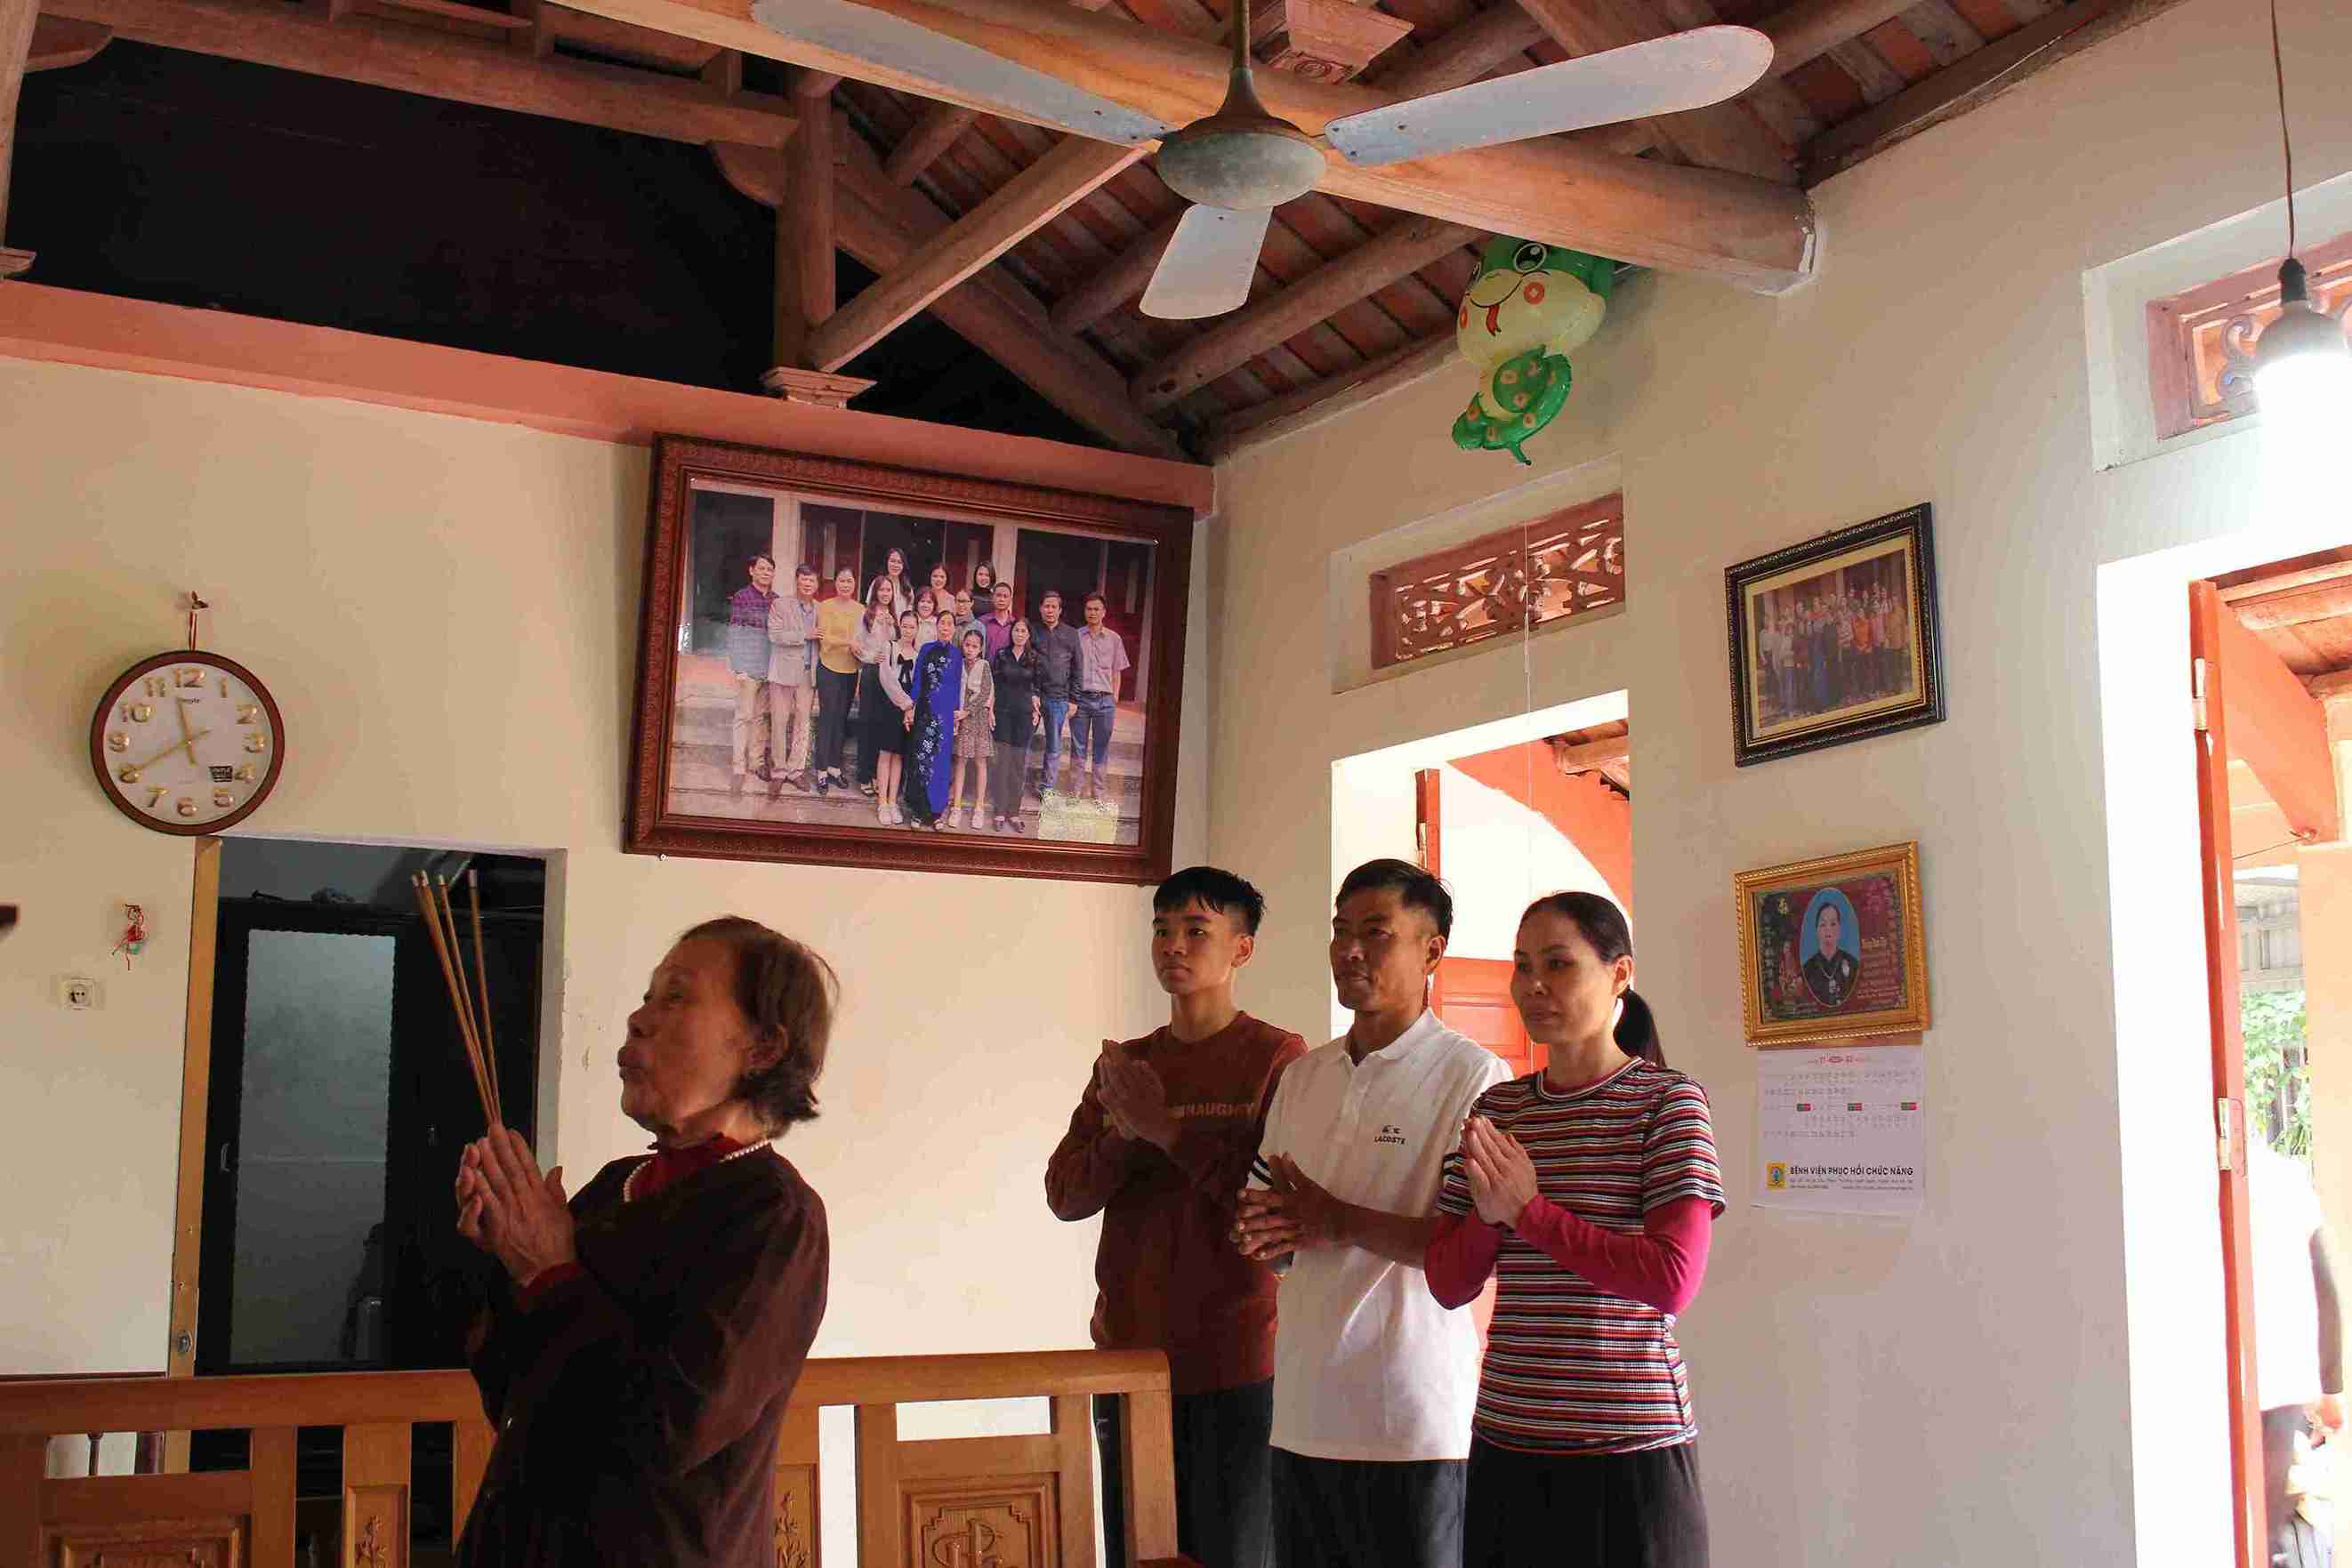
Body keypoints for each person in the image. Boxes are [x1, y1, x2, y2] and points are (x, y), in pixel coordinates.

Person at [451, 916, 833, 1568]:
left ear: (763, 1047)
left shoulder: (776, 1216)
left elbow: (669, 1428)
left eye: (676, 998)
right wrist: (507, 1253)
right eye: (647, 996)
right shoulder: (614, 1186)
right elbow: (517, 1395)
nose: (638, 1019)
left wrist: (547, 1271)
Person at [1426, 892, 1723, 1568]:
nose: (1533, 985)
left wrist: (1530, 1212)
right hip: (1508, 1442)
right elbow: (1447, 1281)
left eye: (1558, 964)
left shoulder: (1669, 1102)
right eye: (1522, 965)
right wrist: (1491, 1212)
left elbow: (1672, 1279)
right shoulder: (1497, 1109)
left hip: (1630, 1451)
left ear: (1620, 974)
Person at [1232, 859, 1510, 1568]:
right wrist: (1262, 1232)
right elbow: (1273, 1228)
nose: (1350, 949)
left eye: (1375, 932)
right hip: (1303, 1414)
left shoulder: (1475, 1076)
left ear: (1432, 951)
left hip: (1413, 1424)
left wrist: (1335, 1220)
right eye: (1340, 930)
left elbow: (1466, 1252)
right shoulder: (1304, 1077)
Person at [1047, 867, 1309, 1568]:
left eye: (1196, 930)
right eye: (1162, 930)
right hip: (1127, 1356)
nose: (1174, 946)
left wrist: (1166, 1129)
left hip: (1234, 1361)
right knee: (1138, 1553)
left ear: (1242, 948)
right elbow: (1066, 1194)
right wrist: (1124, 1131)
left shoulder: (1276, 1057)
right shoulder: (1126, 1065)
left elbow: (1271, 1210)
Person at [2250, 1139, 2347, 1567]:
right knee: (2264, 1524)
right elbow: (2324, 1283)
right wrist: (2330, 1388)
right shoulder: (2286, 1177)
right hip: (2281, 1382)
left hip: (2239, 1380)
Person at [901, 609, 960, 830]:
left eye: (949, 624)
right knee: (921, 760)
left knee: (940, 763)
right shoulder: (926, 649)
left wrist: (956, 716)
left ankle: (936, 813)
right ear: (937, 626)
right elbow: (917, 680)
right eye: (942, 623)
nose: (945, 627)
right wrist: (910, 706)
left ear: (954, 629)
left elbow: (956, 686)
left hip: (945, 716)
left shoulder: (957, 655)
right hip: (925, 713)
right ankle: (918, 811)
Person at [808, 567, 863, 796]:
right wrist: (849, 642)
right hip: (829, 668)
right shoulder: (826, 606)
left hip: (850, 670)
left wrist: (859, 648)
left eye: (849, 581)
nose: (845, 585)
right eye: (842, 580)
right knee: (827, 719)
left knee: (841, 719)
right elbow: (825, 638)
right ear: (836, 583)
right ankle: (821, 770)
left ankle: (834, 767)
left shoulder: (861, 609)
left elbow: (863, 639)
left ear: (854, 584)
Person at [765, 567, 820, 795]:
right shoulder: (780, 604)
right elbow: (774, 635)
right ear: (797, 581)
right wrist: (804, 635)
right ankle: (778, 772)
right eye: (804, 579)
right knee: (779, 721)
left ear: (817, 584)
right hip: (783, 672)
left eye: (811, 580)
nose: (807, 584)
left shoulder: (819, 608)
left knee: (803, 722)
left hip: (808, 674)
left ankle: (796, 771)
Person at [1072, 592, 1131, 805]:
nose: (1093, 613)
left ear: (1104, 612)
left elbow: (1117, 671)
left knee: (1101, 746)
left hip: (1105, 701)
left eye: (1097, 609)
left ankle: (1098, 792)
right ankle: (1076, 791)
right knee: (1078, 746)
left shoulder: (1114, 639)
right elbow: (1071, 668)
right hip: (1081, 699)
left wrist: (1114, 697)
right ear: (1084, 611)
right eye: (1089, 609)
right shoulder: (1076, 636)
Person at [726, 556, 777, 797]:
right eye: (762, 568)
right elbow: (734, 633)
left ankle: (756, 763)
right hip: (748, 668)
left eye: (770, 569)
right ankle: (738, 767)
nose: (766, 572)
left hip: (768, 668)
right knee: (743, 716)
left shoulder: (776, 600)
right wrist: (738, 668)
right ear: (752, 571)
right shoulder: (742, 597)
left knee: (760, 718)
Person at [989, 618, 1043, 833]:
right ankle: (1000, 811)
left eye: (1023, 631)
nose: (1019, 634)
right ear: (1011, 633)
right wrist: (990, 710)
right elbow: (993, 684)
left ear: (1029, 635)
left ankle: (1014, 813)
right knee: (1002, 763)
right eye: (1016, 630)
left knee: (1018, 765)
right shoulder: (1002, 655)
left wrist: (1036, 708)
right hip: (1003, 714)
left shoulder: (1034, 658)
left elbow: (1037, 687)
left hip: (1024, 716)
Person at [866, 610, 919, 827]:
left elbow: (917, 685)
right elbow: (886, 677)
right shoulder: (889, 647)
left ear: (917, 630)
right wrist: (905, 703)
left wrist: (910, 708)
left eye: (912, 627)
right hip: (889, 704)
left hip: (907, 710)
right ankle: (882, 803)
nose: (908, 631)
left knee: (899, 755)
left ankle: (893, 801)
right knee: (885, 754)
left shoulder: (917, 655)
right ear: (900, 627)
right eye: (905, 626)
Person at [1033, 590, 1083, 800]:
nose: (1050, 610)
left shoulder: (1071, 634)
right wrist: (1032, 692)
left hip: (1059, 697)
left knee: (1054, 745)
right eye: (1046, 606)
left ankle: (1047, 788)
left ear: (1060, 610)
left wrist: (1074, 699)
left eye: (1054, 607)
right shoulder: (1033, 631)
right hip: (1035, 696)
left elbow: (1078, 668)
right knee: (1024, 740)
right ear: (1040, 609)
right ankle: (1016, 784)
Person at [947, 625, 995, 831]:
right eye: (967, 645)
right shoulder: (957, 664)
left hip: (978, 718)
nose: (970, 649)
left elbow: (985, 693)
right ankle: (956, 807)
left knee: (980, 761)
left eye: (974, 646)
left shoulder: (984, 666)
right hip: (960, 718)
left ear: (981, 648)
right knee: (960, 761)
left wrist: (967, 711)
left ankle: (979, 807)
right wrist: (958, 713)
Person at [852, 591, 898, 800]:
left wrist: (891, 626)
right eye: (882, 589)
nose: (885, 593)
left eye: (889, 590)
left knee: (882, 725)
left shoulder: (894, 616)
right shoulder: (866, 615)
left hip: (889, 674)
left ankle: (876, 775)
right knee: (867, 724)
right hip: (871, 672)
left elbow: (897, 644)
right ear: (875, 591)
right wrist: (872, 657)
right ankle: (864, 775)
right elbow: (856, 645)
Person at [1800, 899, 1859, 1009]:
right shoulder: (1807, 970)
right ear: (1817, 930)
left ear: (1839, 928)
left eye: (1833, 924)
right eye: (1823, 924)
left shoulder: (1853, 965)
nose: (1828, 929)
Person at [979, 581, 1018, 660]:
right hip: (984, 666)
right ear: (992, 597)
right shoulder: (981, 622)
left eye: (1005, 596)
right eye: (998, 595)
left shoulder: (1015, 625)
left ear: (1010, 599)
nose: (1002, 599)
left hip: (1007, 667)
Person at [869, 548, 913, 618]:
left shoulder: (907, 587)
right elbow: (869, 606)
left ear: (903, 565)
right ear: (887, 562)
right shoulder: (877, 582)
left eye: (899, 562)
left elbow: (910, 611)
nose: (896, 565)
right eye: (892, 561)